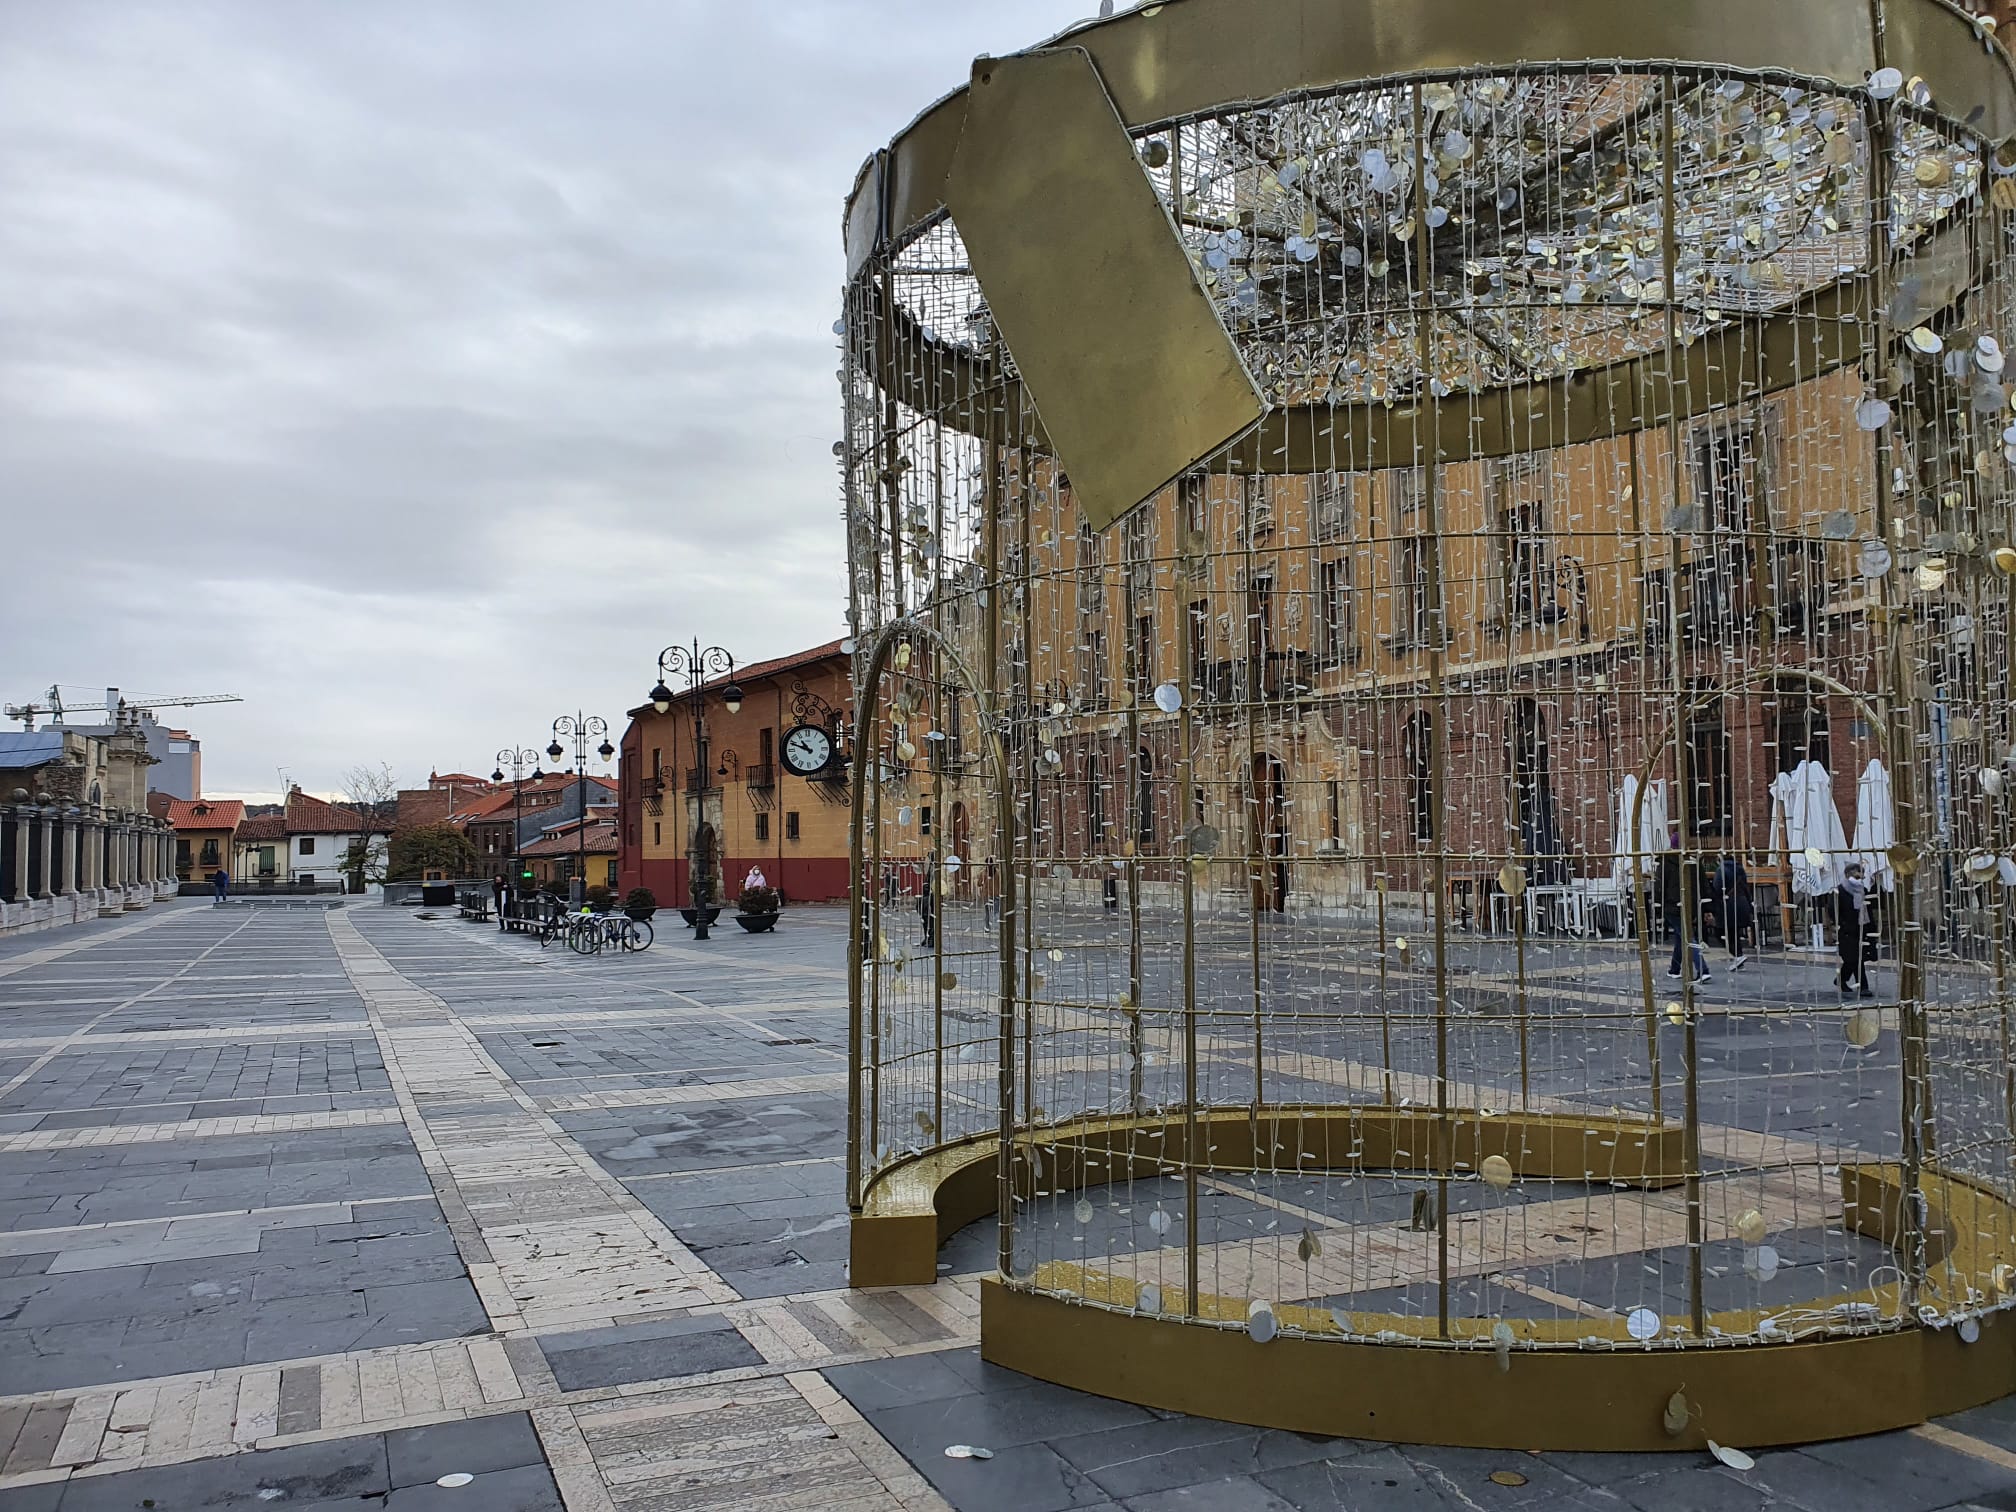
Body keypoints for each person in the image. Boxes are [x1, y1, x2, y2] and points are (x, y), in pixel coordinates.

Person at [1658, 841, 1710, 984]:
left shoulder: (1665, 862)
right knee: (1681, 936)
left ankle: (1702, 969)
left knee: (1686, 936)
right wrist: (1705, 908)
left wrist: (1657, 907)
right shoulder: (1694, 862)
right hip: (1690, 905)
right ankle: (1674, 969)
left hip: (1671, 906)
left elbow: (1659, 886)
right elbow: (1704, 885)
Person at [1837, 861, 1874, 999]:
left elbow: (1868, 910)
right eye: (1856, 876)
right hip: (1847, 931)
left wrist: (1871, 929)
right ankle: (1863, 986)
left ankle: (1841, 980)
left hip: (1861, 929)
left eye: (1861, 877)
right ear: (1847, 875)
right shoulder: (1839, 891)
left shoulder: (1863, 891)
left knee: (1854, 959)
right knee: (1855, 958)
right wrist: (1843, 923)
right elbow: (1833, 910)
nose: (1859, 879)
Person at [1710, 855, 1754, 969]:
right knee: (1734, 933)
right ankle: (1739, 958)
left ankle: (1737, 955)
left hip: (1727, 905)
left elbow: (1717, 888)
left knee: (1719, 933)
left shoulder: (1721, 870)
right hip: (1741, 902)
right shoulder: (1740, 869)